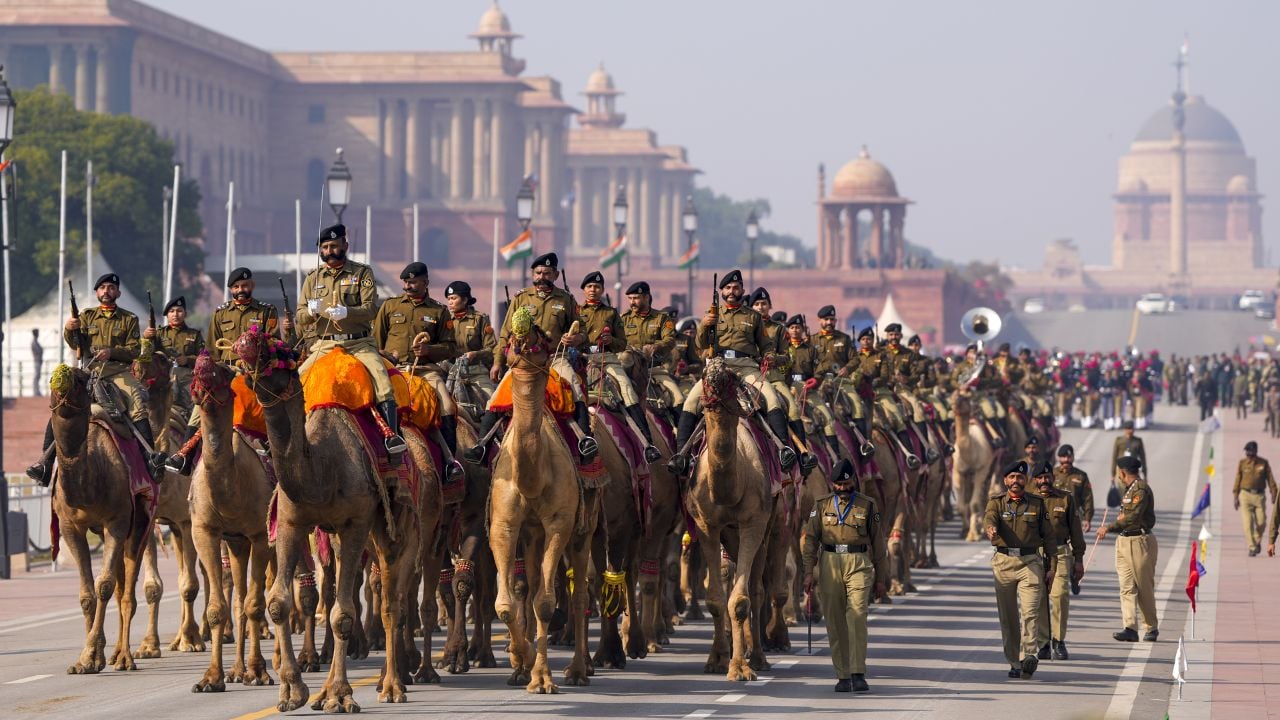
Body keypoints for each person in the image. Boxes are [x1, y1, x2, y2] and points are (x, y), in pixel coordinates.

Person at [26, 273, 166, 484]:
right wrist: (69, 329)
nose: (106, 291)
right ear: (97, 292)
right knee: (62, 403)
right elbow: (76, 344)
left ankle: (150, 460)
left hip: (118, 372)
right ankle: (45, 464)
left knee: (136, 402)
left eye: (111, 288)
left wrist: (112, 352)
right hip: (89, 370)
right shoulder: (87, 316)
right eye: (102, 288)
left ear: (118, 292)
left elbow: (135, 351)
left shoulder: (129, 319)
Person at [464, 252, 596, 465]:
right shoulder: (521, 298)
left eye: (546, 273)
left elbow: (584, 333)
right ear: (532, 274)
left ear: (555, 275)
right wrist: (498, 362)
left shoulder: (566, 299)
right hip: (523, 361)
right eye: (538, 272)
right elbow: (505, 333)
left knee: (575, 388)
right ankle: (482, 445)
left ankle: (585, 441)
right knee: (496, 397)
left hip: (554, 359)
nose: (541, 276)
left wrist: (576, 338)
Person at [668, 270, 799, 474]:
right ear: (721, 291)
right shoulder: (712, 315)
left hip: (746, 366)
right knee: (690, 402)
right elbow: (699, 346)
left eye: (735, 287)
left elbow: (765, 345)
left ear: (742, 290)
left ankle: (784, 450)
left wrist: (770, 356)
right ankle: (681, 456)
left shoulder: (754, 317)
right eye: (728, 288)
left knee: (771, 398)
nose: (731, 291)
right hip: (717, 366)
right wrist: (704, 325)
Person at [166, 267, 291, 474]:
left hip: (256, 370)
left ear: (252, 286)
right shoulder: (220, 312)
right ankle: (184, 459)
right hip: (225, 369)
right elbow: (212, 350)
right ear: (231, 289)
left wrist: (251, 348)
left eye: (244, 285)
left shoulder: (266, 311)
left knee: (274, 399)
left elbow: (275, 343)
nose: (240, 290)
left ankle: (276, 448)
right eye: (236, 287)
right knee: (201, 405)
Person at [297, 223, 406, 460]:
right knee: (295, 382)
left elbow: (370, 309)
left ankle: (392, 439)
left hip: (358, 344)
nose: (329, 250)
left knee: (382, 380)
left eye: (334, 246)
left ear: (345, 245)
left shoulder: (361, 273)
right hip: (323, 344)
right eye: (325, 247)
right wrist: (311, 312)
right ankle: (289, 440)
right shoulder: (312, 278)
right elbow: (300, 315)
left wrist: (347, 312)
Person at [801, 458, 887, 693]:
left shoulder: (867, 505)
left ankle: (858, 672)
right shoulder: (820, 505)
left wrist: (881, 578)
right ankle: (843, 675)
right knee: (835, 621)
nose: (841, 489)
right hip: (829, 563)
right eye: (837, 485)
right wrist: (808, 571)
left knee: (857, 615)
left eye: (845, 483)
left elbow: (879, 543)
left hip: (859, 561)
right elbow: (810, 541)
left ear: (853, 481)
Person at [373, 261, 466, 477]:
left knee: (446, 405)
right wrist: (384, 356)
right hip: (393, 370)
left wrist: (428, 350)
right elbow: (376, 342)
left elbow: (451, 348)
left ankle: (449, 463)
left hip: (425, 371)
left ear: (425, 282)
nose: (408, 286)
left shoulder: (438, 311)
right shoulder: (390, 306)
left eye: (413, 282)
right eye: (406, 282)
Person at [984, 460, 1057, 679]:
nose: (1016, 481)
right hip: (1004, 563)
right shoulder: (996, 503)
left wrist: (1052, 567)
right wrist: (990, 529)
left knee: (1030, 612)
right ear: (1005, 480)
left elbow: (1050, 536)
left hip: (1030, 562)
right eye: (1012, 477)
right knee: (1008, 617)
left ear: (1026, 480)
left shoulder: (1037, 504)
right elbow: (989, 518)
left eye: (1020, 477)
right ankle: (1014, 662)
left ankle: (1029, 656)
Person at [578, 271, 659, 463]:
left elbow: (622, 344)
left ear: (602, 290)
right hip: (581, 358)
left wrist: (611, 340)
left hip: (607, 358)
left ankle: (648, 444)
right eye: (589, 287)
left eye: (597, 287)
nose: (593, 290)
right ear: (583, 290)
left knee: (627, 389)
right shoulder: (575, 311)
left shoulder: (611, 313)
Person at [1096, 455, 1158, 642]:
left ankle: (1151, 627)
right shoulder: (1129, 489)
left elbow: (1133, 517)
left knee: (1143, 586)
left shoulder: (1141, 489)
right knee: (1126, 587)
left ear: (1122, 472)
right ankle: (1130, 627)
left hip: (1139, 541)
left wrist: (1109, 527)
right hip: (1124, 541)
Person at [1032, 461, 1085, 661]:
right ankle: (1044, 642)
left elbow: (1076, 532)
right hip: (1035, 554)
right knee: (1039, 599)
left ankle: (1058, 640)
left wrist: (1078, 560)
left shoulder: (1065, 499)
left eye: (1047, 477)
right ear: (1035, 480)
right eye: (1040, 478)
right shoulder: (1028, 500)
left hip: (1061, 552)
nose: (1044, 481)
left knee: (1060, 595)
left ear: (1052, 478)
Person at [620, 281, 681, 412]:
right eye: (630, 298)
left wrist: (656, 346)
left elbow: (670, 339)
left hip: (654, 369)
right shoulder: (623, 319)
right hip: (628, 369)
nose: (632, 302)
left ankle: (678, 432)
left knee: (678, 399)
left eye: (636, 298)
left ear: (646, 297)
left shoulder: (662, 318)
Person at [442, 280, 497, 401]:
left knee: (493, 403)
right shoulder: (445, 319)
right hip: (450, 372)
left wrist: (475, 354)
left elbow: (492, 348)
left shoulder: (480, 319)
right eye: (448, 298)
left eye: (453, 298)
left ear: (465, 300)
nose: (450, 302)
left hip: (476, 372)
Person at [151, 296, 204, 413]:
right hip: (163, 376)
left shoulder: (194, 334)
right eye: (172, 311)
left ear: (185, 314)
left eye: (179, 311)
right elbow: (147, 355)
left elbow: (203, 358)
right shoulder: (159, 334)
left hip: (186, 376)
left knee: (197, 401)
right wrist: (147, 338)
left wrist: (187, 360)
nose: (175, 314)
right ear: (167, 315)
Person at [1233, 441, 1277, 557]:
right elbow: (1238, 479)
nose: (1248, 456)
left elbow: (1270, 479)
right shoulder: (1242, 463)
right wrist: (1235, 496)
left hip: (1259, 496)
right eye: (1247, 453)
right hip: (1245, 495)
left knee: (1261, 522)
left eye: (1251, 453)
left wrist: (1274, 493)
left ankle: (1257, 541)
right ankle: (1252, 547)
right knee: (1247, 524)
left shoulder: (1263, 463)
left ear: (1256, 452)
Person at [1052, 444, 1095, 532]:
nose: (1066, 460)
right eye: (1063, 457)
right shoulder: (1051, 474)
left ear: (1073, 457)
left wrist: (1087, 519)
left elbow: (1088, 499)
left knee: (1074, 543)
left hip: (1074, 516)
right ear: (1059, 458)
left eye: (1069, 457)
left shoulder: (1081, 475)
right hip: (1053, 515)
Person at [30, 328, 43, 396]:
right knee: (36, 376)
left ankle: (37, 390)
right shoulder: (34, 343)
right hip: (37, 361)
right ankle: (35, 391)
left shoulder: (36, 342)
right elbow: (37, 352)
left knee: (38, 376)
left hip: (38, 361)